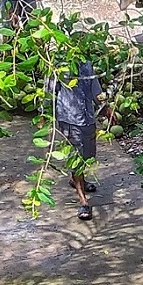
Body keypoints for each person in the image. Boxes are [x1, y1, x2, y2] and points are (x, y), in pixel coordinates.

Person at [48, 61, 102, 220]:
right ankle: (83, 201)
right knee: (76, 158)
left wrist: (106, 108)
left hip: (88, 117)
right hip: (69, 118)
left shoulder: (87, 63)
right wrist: (45, 114)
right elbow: (50, 91)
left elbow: (95, 88)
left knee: (88, 155)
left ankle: (76, 181)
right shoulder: (57, 65)